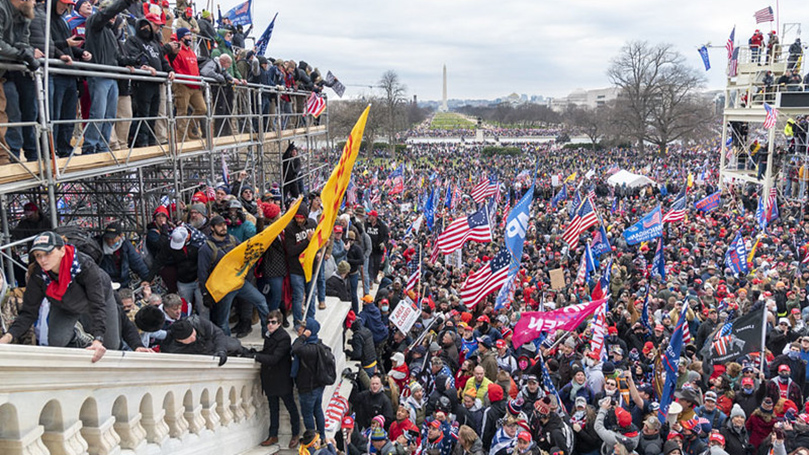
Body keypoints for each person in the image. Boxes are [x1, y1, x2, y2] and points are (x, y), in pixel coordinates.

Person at [0, 232, 119, 362]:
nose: (43, 260)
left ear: (62, 250)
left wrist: (98, 339)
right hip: (64, 305)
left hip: (98, 301)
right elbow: (29, 312)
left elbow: (97, 304)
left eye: (48, 253)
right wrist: (7, 338)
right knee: (57, 341)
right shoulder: (39, 275)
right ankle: (77, 339)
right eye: (38, 255)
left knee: (111, 346)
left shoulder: (85, 266)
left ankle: (92, 340)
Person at [82, 0, 141, 155]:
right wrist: (124, 3)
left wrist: (132, 61)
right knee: (98, 113)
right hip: (99, 76)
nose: (114, 17)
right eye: (112, 13)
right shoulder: (94, 24)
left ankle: (102, 145)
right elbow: (105, 14)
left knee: (109, 115)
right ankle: (90, 145)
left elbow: (116, 58)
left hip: (111, 77)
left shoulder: (110, 33)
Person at [197, 215, 268, 336]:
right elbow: (202, 273)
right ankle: (228, 344)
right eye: (220, 225)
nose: (224, 227)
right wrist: (206, 293)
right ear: (212, 228)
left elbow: (245, 254)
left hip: (239, 283)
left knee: (261, 301)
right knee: (223, 320)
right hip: (224, 288)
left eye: (224, 224)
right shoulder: (206, 249)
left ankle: (268, 332)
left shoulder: (233, 240)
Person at [0, 0, 41, 163]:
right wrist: (21, 54)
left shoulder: (25, 14)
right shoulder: (2, 8)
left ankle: (3, 159)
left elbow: (24, 42)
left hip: (3, 74)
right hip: (5, 72)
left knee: (4, 115)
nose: (35, 2)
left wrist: (27, 51)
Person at [256, 310, 301, 449]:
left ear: (280, 323)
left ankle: (295, 434)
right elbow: (267, 353)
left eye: (273, 322)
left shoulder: (284, 338)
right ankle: (273, 435)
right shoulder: (269, 336)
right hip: (270, 380)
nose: (270, 325)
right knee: (273, 408)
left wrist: (257, 357)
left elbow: (275, 358)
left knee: (290, 407)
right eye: (268, 322)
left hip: (281, 380)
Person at [166, 27, 206, 140]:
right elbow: (176, 67)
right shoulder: (177, 51)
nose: (190, 37)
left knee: (202, 109)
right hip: (182, 85)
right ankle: (181, 137)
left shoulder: (191, 52)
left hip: (195, 85)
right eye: (188, 35)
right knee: (182, 111)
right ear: (181, 37)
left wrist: (198, 80)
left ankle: (189, 129)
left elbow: (196, 69)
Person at [291, 318, 327, 442]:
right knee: (318, 410)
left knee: (308, 414)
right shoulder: (318, 344)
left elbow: (295, 348)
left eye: (302, 328)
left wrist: (302, 337)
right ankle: (322, 436)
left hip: (308, 388)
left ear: (308, 332)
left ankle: (313, 439)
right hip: (318, 386)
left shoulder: (307, 348)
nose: (299, 329)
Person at [161, 316, 248, 365]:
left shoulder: (197, 321)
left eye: (194, 334)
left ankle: (245, 352)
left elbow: (218, 333)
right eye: (189, 338)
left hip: (213, 344)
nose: (194, 338)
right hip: (201, 356)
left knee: (234, 345)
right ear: (179, 340)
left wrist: (221, 350)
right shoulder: (170, 348)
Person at [285, 204, 316, 326]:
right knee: (298, 297)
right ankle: (298, 323)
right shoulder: (290, 229)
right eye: (297, 217)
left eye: (301, 217)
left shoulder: (312, 224)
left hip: (311, 267)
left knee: (311, 296)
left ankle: (311, 320)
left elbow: (318, 241)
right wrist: (306, 242)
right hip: (296, 269)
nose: (299, 220)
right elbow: (291, 250)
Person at [97, 222, 151, 289]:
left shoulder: (126, 245)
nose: (109, 240)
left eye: (112, 238)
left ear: (120, 236)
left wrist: (147, 278)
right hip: (105, 283)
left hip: (123, 282)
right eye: (107, 238)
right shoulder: (98, 246)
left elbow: (136, 262)